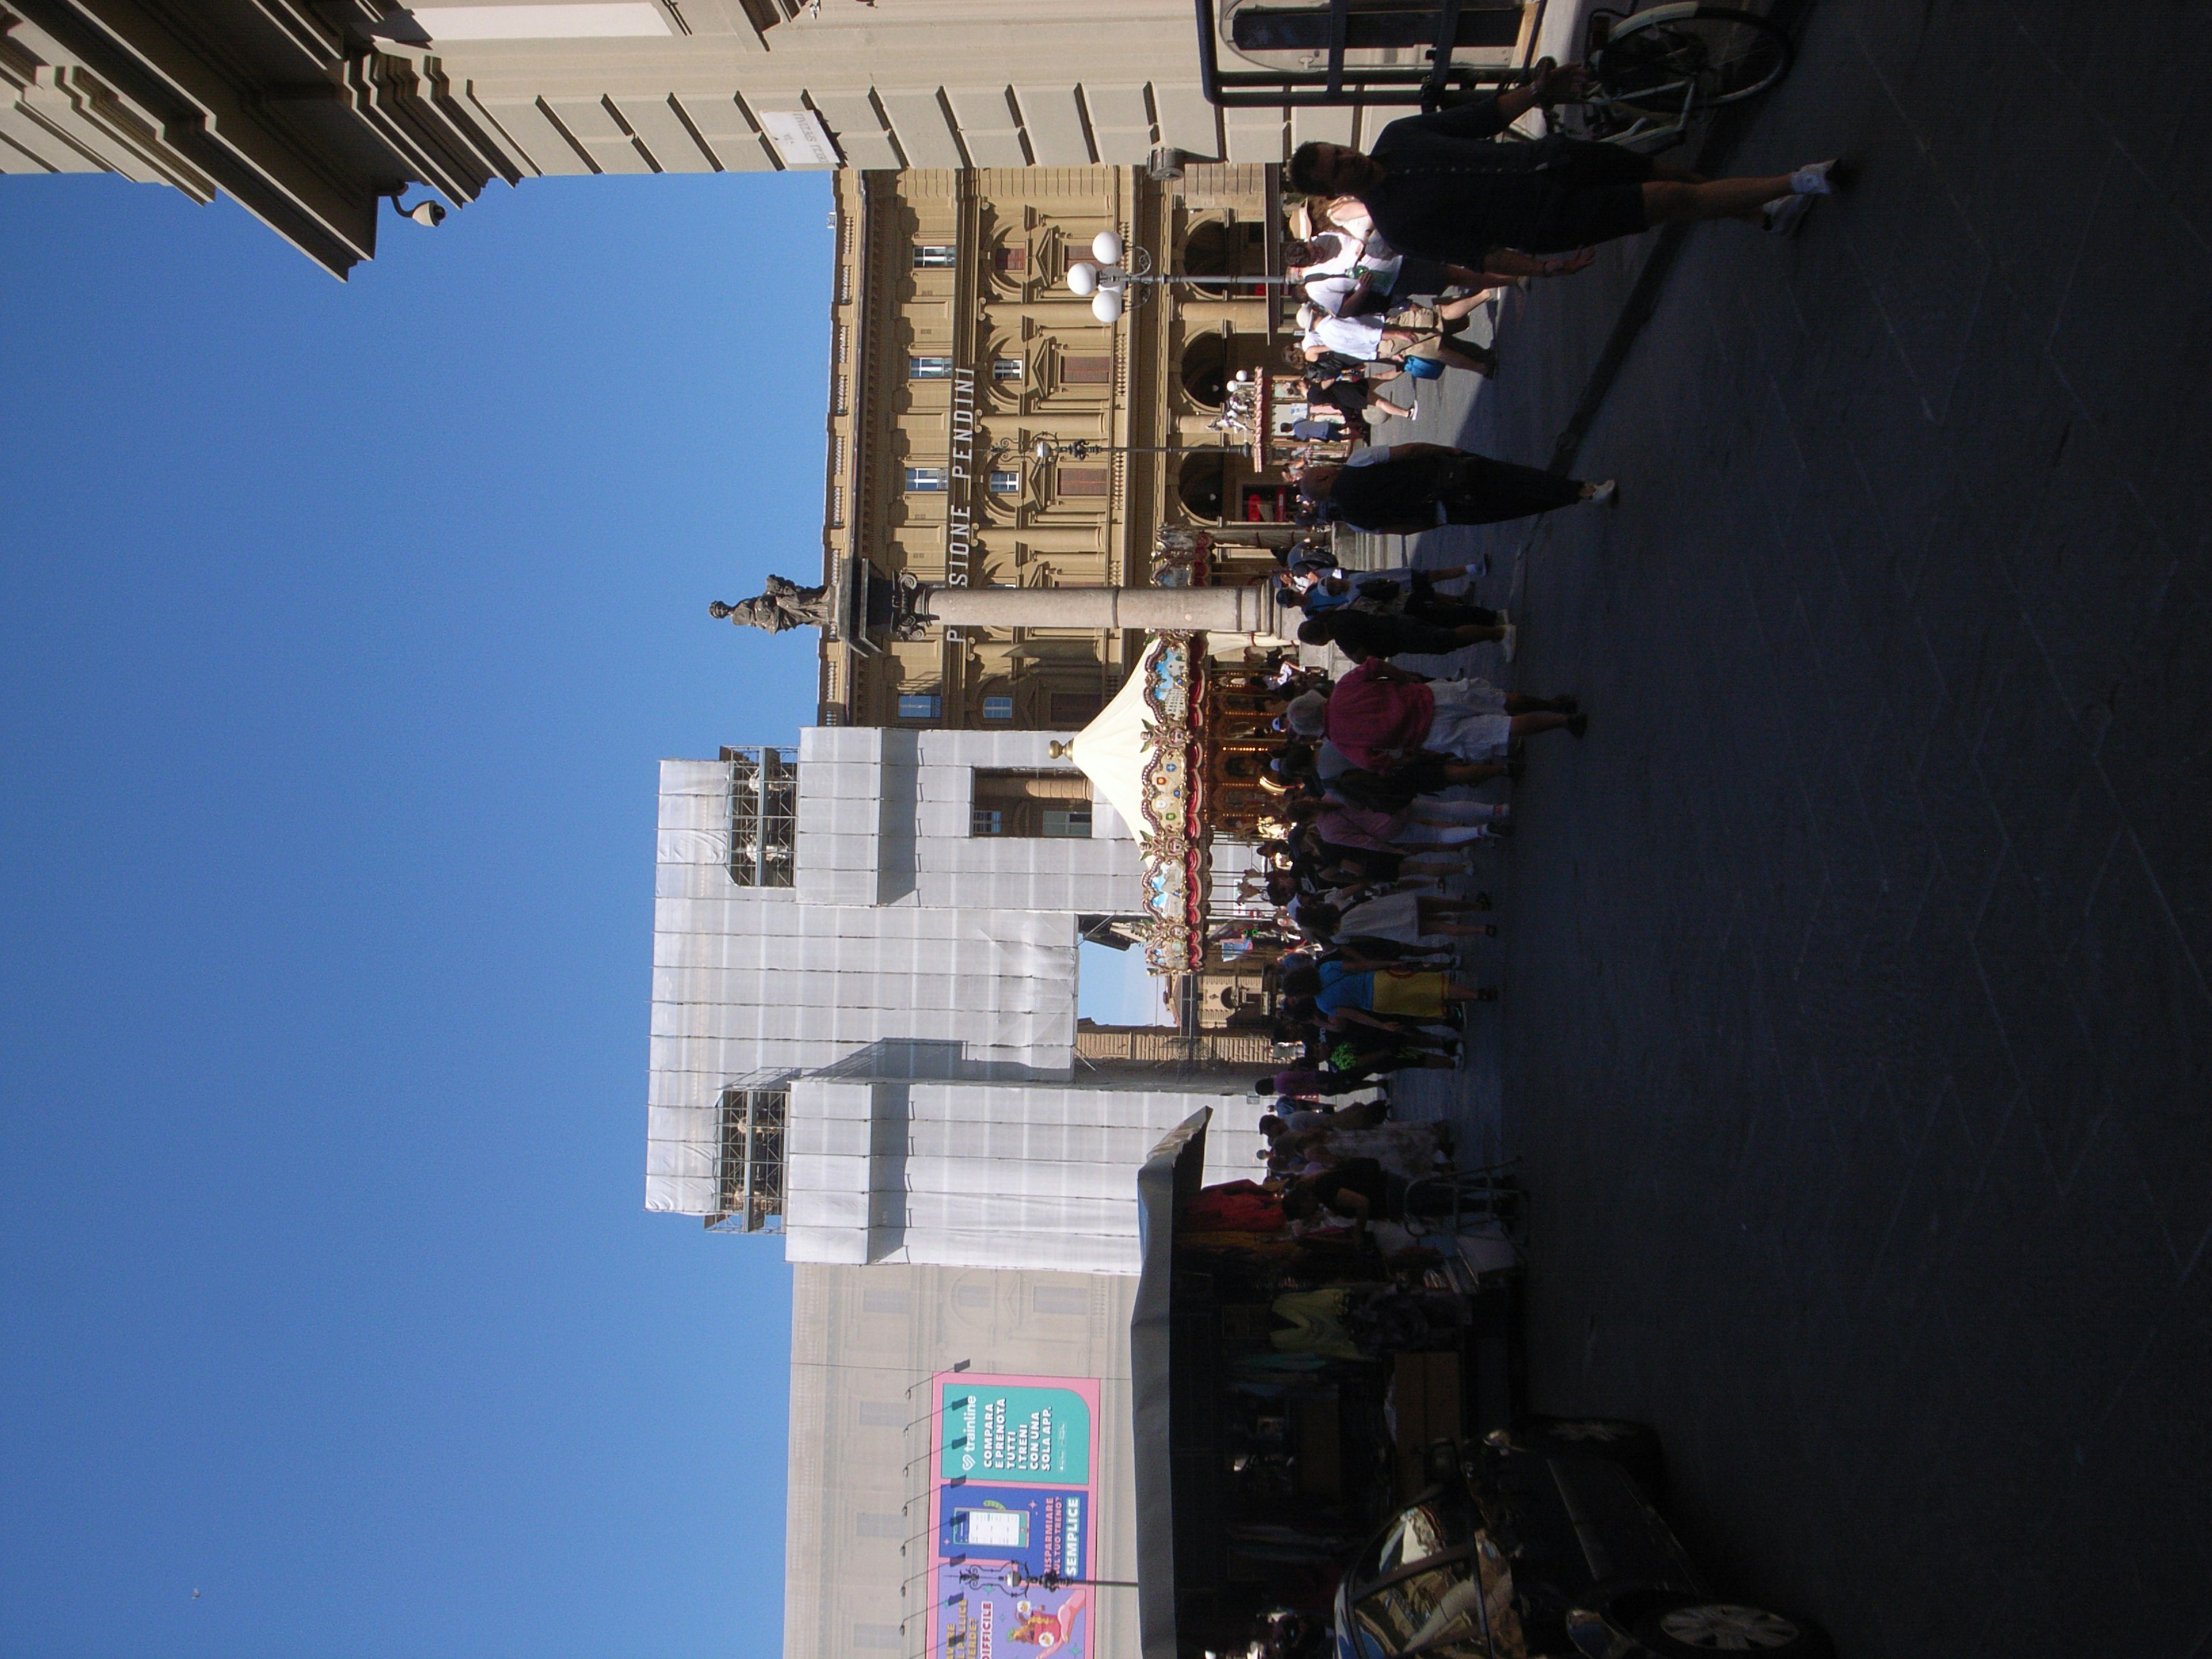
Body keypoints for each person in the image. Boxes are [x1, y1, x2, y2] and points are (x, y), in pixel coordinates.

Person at [1286, 57, 1843, 267]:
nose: (1349, 159)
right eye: (1337, 168)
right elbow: (1480, 254)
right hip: (1549, 220)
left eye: (1340, 152)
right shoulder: (1398, 227)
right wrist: (1544, 270)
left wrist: (1538, 91)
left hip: (1552, 159)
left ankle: (1763, 214)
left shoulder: (1399, 135)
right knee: (1672, 201)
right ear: (1335, 191)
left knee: (1666, 176)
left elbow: (1482, 118)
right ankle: (1796, 181)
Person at [1317, 657, 1585, 770]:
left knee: (1502, 729)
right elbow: (1374, 665)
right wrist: (1405, 678)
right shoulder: (1343, 689)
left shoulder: (1341, 742)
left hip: (1428, 734)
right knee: (1500, 702)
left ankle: (1562, 722)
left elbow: (1373, 763)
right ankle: (1553, 705)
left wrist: (1402, 755)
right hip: (1429, 697)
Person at [1302, 442, 1614, 533]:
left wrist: (1435, 521)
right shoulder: (1358, 461)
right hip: (1450, 475)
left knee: (1514, 507)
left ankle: (1574, 497)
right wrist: (1448, 452)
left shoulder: (1356, 522)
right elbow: (1409, 451)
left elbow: (1399, 529)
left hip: (1448, 510)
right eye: (1320, 469)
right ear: (1321, 480)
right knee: (1518, 479)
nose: (1326, 466)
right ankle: (1582, 491)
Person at [709, 574, 836, 633]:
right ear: (721, 616)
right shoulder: (736, 619)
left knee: (789, 595)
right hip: (773, 616)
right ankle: (823, 606)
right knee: (789, 602)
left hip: (771, 606)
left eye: (719, 607)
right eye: (719, 612)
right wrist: (769, 593)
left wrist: (770, 591)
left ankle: (821, 600)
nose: (721, 610)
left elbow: (759, 600)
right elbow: (759, 612)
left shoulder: (739, 604)